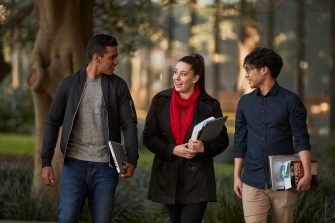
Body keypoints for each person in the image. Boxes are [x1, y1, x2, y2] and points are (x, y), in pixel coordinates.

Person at [41, 34, 138, 222]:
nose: (116, 62)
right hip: (73, 166)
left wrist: (132, 158)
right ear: (97, 57)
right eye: (112, 57)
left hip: (106, 167)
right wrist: (46, 162)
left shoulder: (118, 86)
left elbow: (129, 123)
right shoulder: (68, 85)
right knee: (67, 218)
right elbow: (53, 122)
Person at [143, 53, 229, 223]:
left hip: (197, 177)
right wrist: (173, 149)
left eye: (183, 74)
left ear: (196, 77)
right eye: (176, 72)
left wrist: (203, 148)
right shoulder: (160, 101)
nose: (177, 77)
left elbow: (223, 140)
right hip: (169, 174)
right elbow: (148, 137)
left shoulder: (210, 105)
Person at [233, 47, 312, 223]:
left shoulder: (290, 101)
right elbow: (240, 141)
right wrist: (237, 177)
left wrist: (307, 173)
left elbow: (301, 139)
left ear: (264, 70)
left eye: (249, 69)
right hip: (252, 180)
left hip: (284, 181)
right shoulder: (245, 103)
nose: (246, 75)